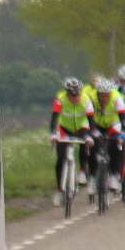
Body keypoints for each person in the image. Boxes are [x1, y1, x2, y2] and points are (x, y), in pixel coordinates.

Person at [49, 76, 95, 205]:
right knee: (60, 158)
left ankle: (82, 171)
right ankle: (59, 189)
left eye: (77, 95)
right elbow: (54, 119)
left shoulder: (86, 100)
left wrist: (90, 136)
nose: (75, 98)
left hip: (82, 127)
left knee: (85, 144)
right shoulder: (60, 99)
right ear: (67, 93)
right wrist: (54, 134)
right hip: (64, 128)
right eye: (71, 95)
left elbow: (91, 121)